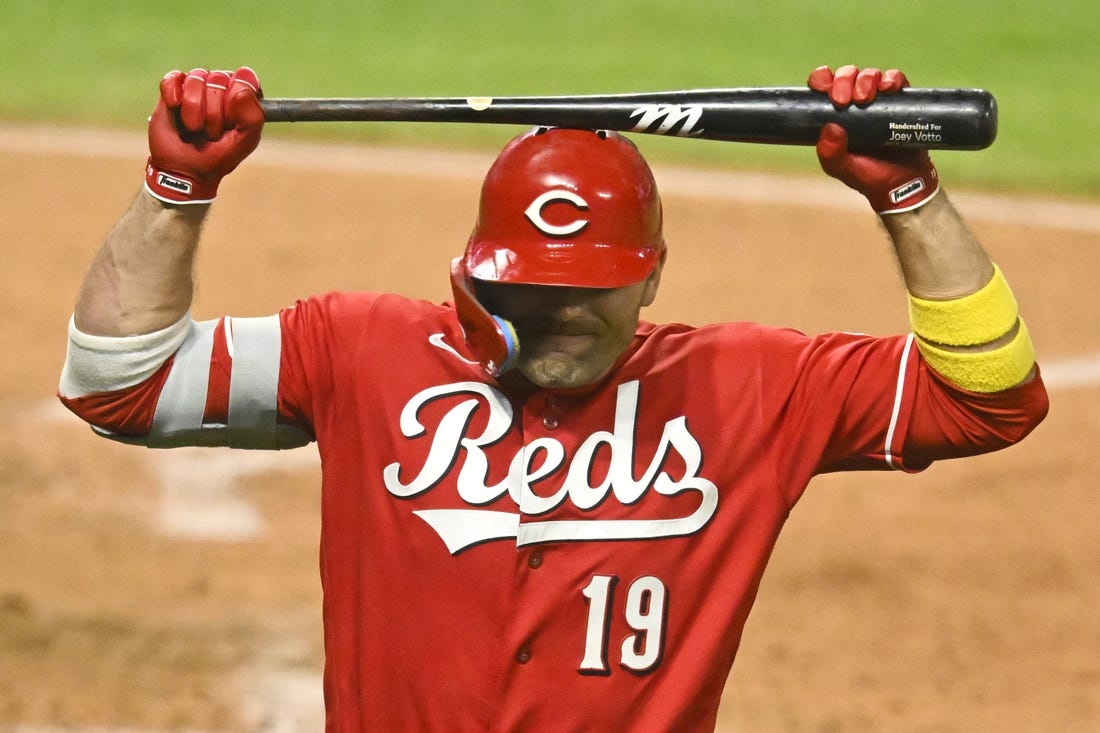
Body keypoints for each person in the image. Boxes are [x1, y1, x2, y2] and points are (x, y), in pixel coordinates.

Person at [59, 64, 1048, 731]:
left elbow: (987, 396)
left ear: (650, 276)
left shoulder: (747, 385)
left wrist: (905, 197)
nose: (558, 316)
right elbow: (121, 379)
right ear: (473, 271)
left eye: (590, 289)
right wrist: (176, 186)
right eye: (528, 288)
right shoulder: (363, 351)